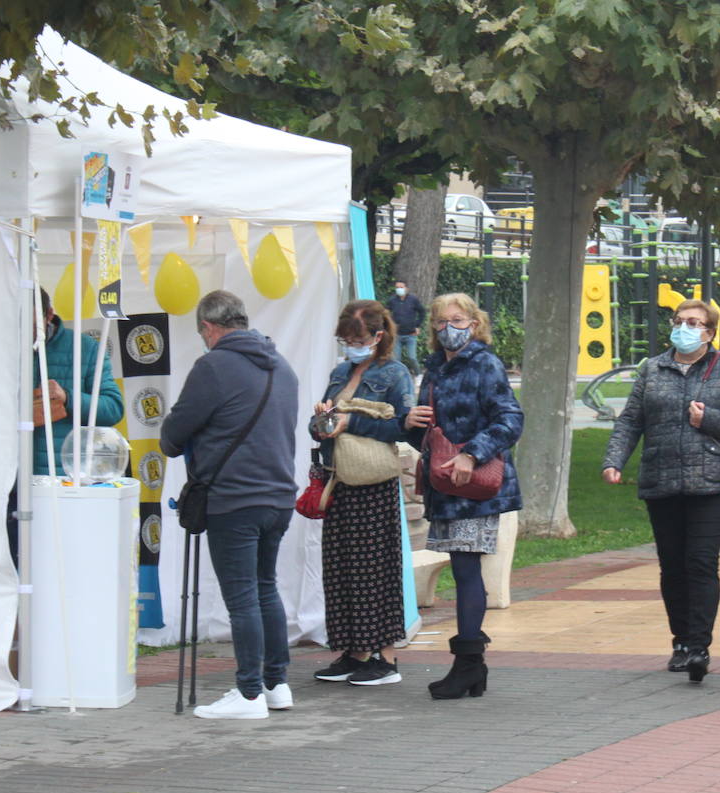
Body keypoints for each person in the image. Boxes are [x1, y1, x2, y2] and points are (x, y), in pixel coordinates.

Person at [601, 299, 720, 682]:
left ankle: (700, 646)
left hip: (712, 482)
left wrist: (710, 419)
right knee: (672, 566)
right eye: (679, 321)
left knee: (701, 563)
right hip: (662, 479)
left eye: (694, 322)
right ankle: (681, 642)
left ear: (710, 332)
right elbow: (630, 421)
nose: (684, 327)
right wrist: (614, 460)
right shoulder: (654, 368)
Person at [161, 290, 300, 719]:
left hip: (234, 497)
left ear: (208, 327)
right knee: (264, 587)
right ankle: (276, 684)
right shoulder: (284, 367)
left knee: (241, 596)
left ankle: (249, 694)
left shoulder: (214, 366)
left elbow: (173, 433)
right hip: (278, 495)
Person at [405, 292, 523, 699]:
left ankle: (469, 663)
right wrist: (411, 421)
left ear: (474, 324)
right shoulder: (436, 367)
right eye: (440, 322)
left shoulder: (484, 363)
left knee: (467, 569)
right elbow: (429, 428)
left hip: (476, 485)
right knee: (461, 568)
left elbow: (510, 418)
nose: (447, 328)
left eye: (457, 320)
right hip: (444, 482)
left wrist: (473, 454)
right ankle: (472, 667)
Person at [310, 300, 413, 687]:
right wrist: (321, 421)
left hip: (372, 484)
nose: (350, 345)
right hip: (340, 479)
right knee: (341, 569)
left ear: (378, 336)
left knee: (375, 570)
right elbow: (318, 424)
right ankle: (354, 651)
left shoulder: (395, 373)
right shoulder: (341, 372)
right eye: (345, 339)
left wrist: (352, 423)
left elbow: (405, 427)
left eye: (356, 339)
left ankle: (384, 656)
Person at [8, 289, 125, 563]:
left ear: (50, 315)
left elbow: (113, 408)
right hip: (7, 481)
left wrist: (69, 398)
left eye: (33, 324)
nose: (26, 333)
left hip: (62, 482)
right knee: (14, 567)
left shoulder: (86, 348)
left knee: (60, 566)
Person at [387, 279, 426, 375]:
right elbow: (386, 314)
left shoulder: (413, 299)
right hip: (397, 335)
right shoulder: (392, 300)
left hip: (411, 334)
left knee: (412, 357)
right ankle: (399, 377)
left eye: (401, 287)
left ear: (406, 288)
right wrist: (389, 326)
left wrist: (417, 325)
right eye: (397, 287)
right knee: (396, 359)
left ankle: (418, 375)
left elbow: (422, 312)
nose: (399, 289)